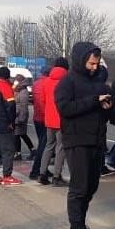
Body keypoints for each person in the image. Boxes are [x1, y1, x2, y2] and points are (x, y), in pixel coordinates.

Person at [55, 42, 112, 229]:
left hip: (96, 140)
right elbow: (65, 108)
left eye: (96, 64)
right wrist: (93, 101)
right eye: (91, 64)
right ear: (81, 60)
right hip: (77, 140)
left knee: (91, 186)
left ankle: (81, 225)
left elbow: (105, 113)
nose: (94, 67)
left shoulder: (98, 82)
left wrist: (106, 106)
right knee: (79, 187)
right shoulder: (67, 82)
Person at [38, 58, 70, 186]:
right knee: (61, 148)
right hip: (62, 119)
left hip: (49, 118)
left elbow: (43, 100)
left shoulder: (46, 81)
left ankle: (42, 174)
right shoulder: (66, 82)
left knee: (48, 146)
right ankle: (57, 176)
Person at [29, 67, 49, 180]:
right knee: (45, 146)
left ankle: (43, 168)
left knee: (43, 145)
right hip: (45, 118)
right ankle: (36, 170)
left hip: (37, 118)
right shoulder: (48, 83)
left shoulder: (36, 84)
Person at [13, 75, 35, 160]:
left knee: (19, 135)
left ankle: (20, 153)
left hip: (20, 117)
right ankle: (30, 151)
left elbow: (24, 107)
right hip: (17, 116)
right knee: (20, 135)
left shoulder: (23, 92)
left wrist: (21, 119)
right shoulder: (18, 90)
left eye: (16, 81)